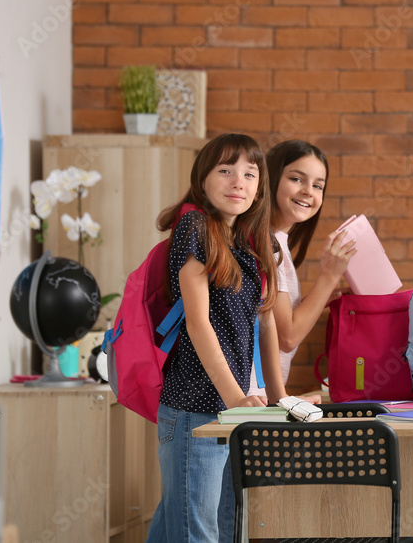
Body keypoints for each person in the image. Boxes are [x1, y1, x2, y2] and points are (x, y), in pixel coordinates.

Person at [146, 133, 280, 543]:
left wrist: (279, 396)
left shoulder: (249, 242)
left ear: (259, 190)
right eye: (225, 170)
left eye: (249, 173)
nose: (237, 181)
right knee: (196, 533)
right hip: (194, 408)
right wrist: (238, 400)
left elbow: (263, 320)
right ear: (202, 180)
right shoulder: (196, 227)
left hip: (227, 410)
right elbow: (197, 324)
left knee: (195, 527)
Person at [246, 139, 356, 400]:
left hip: (260, 398)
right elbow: (288, 337)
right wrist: (328, 277)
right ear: (271, 179)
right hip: (249, 399)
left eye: (318, 185)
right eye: (297, 179)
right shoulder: (266, 245)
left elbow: (274, 318)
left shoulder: (277, 242)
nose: (309, 191)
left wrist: (318, 300)